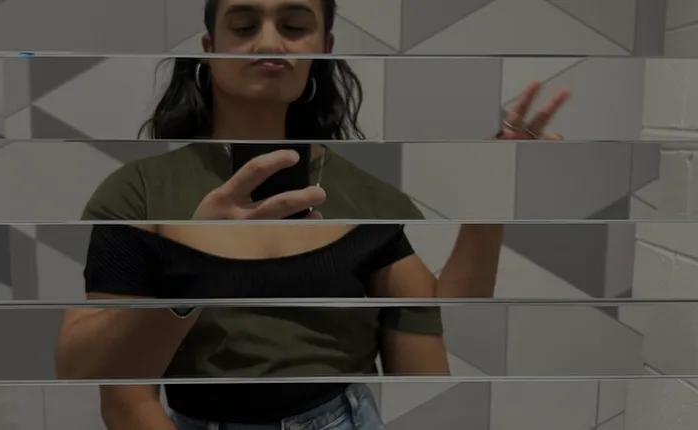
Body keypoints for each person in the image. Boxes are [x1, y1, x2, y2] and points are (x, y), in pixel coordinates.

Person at [54, 0, 570, 429]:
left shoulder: (369, 200)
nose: (270, 42)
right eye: (244, 26)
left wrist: (490, 201)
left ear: (324, 48)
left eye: (294, 26)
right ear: (209, 50)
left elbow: (426, 366)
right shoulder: (140, 194)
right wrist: (193, 263)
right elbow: (105, 385)